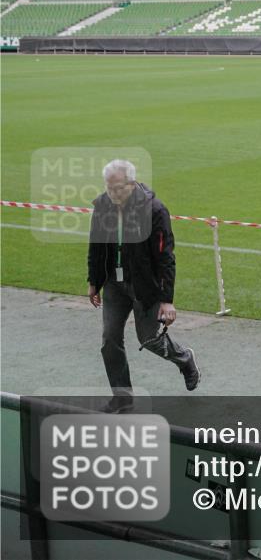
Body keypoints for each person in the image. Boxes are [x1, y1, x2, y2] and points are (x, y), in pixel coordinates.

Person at [87, 159, 200, 412]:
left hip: (143, 286)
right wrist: (94, 281)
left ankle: (185, 358)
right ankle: (122, 398)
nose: (113, 194)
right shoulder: (102, 206)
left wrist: (167, 299)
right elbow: (95, 246)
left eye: (119, 188)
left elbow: (166, 258)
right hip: (113, 284)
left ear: (133, 183)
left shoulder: (154, 210)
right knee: (109, 340)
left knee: (149, 339)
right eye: (109, 188)